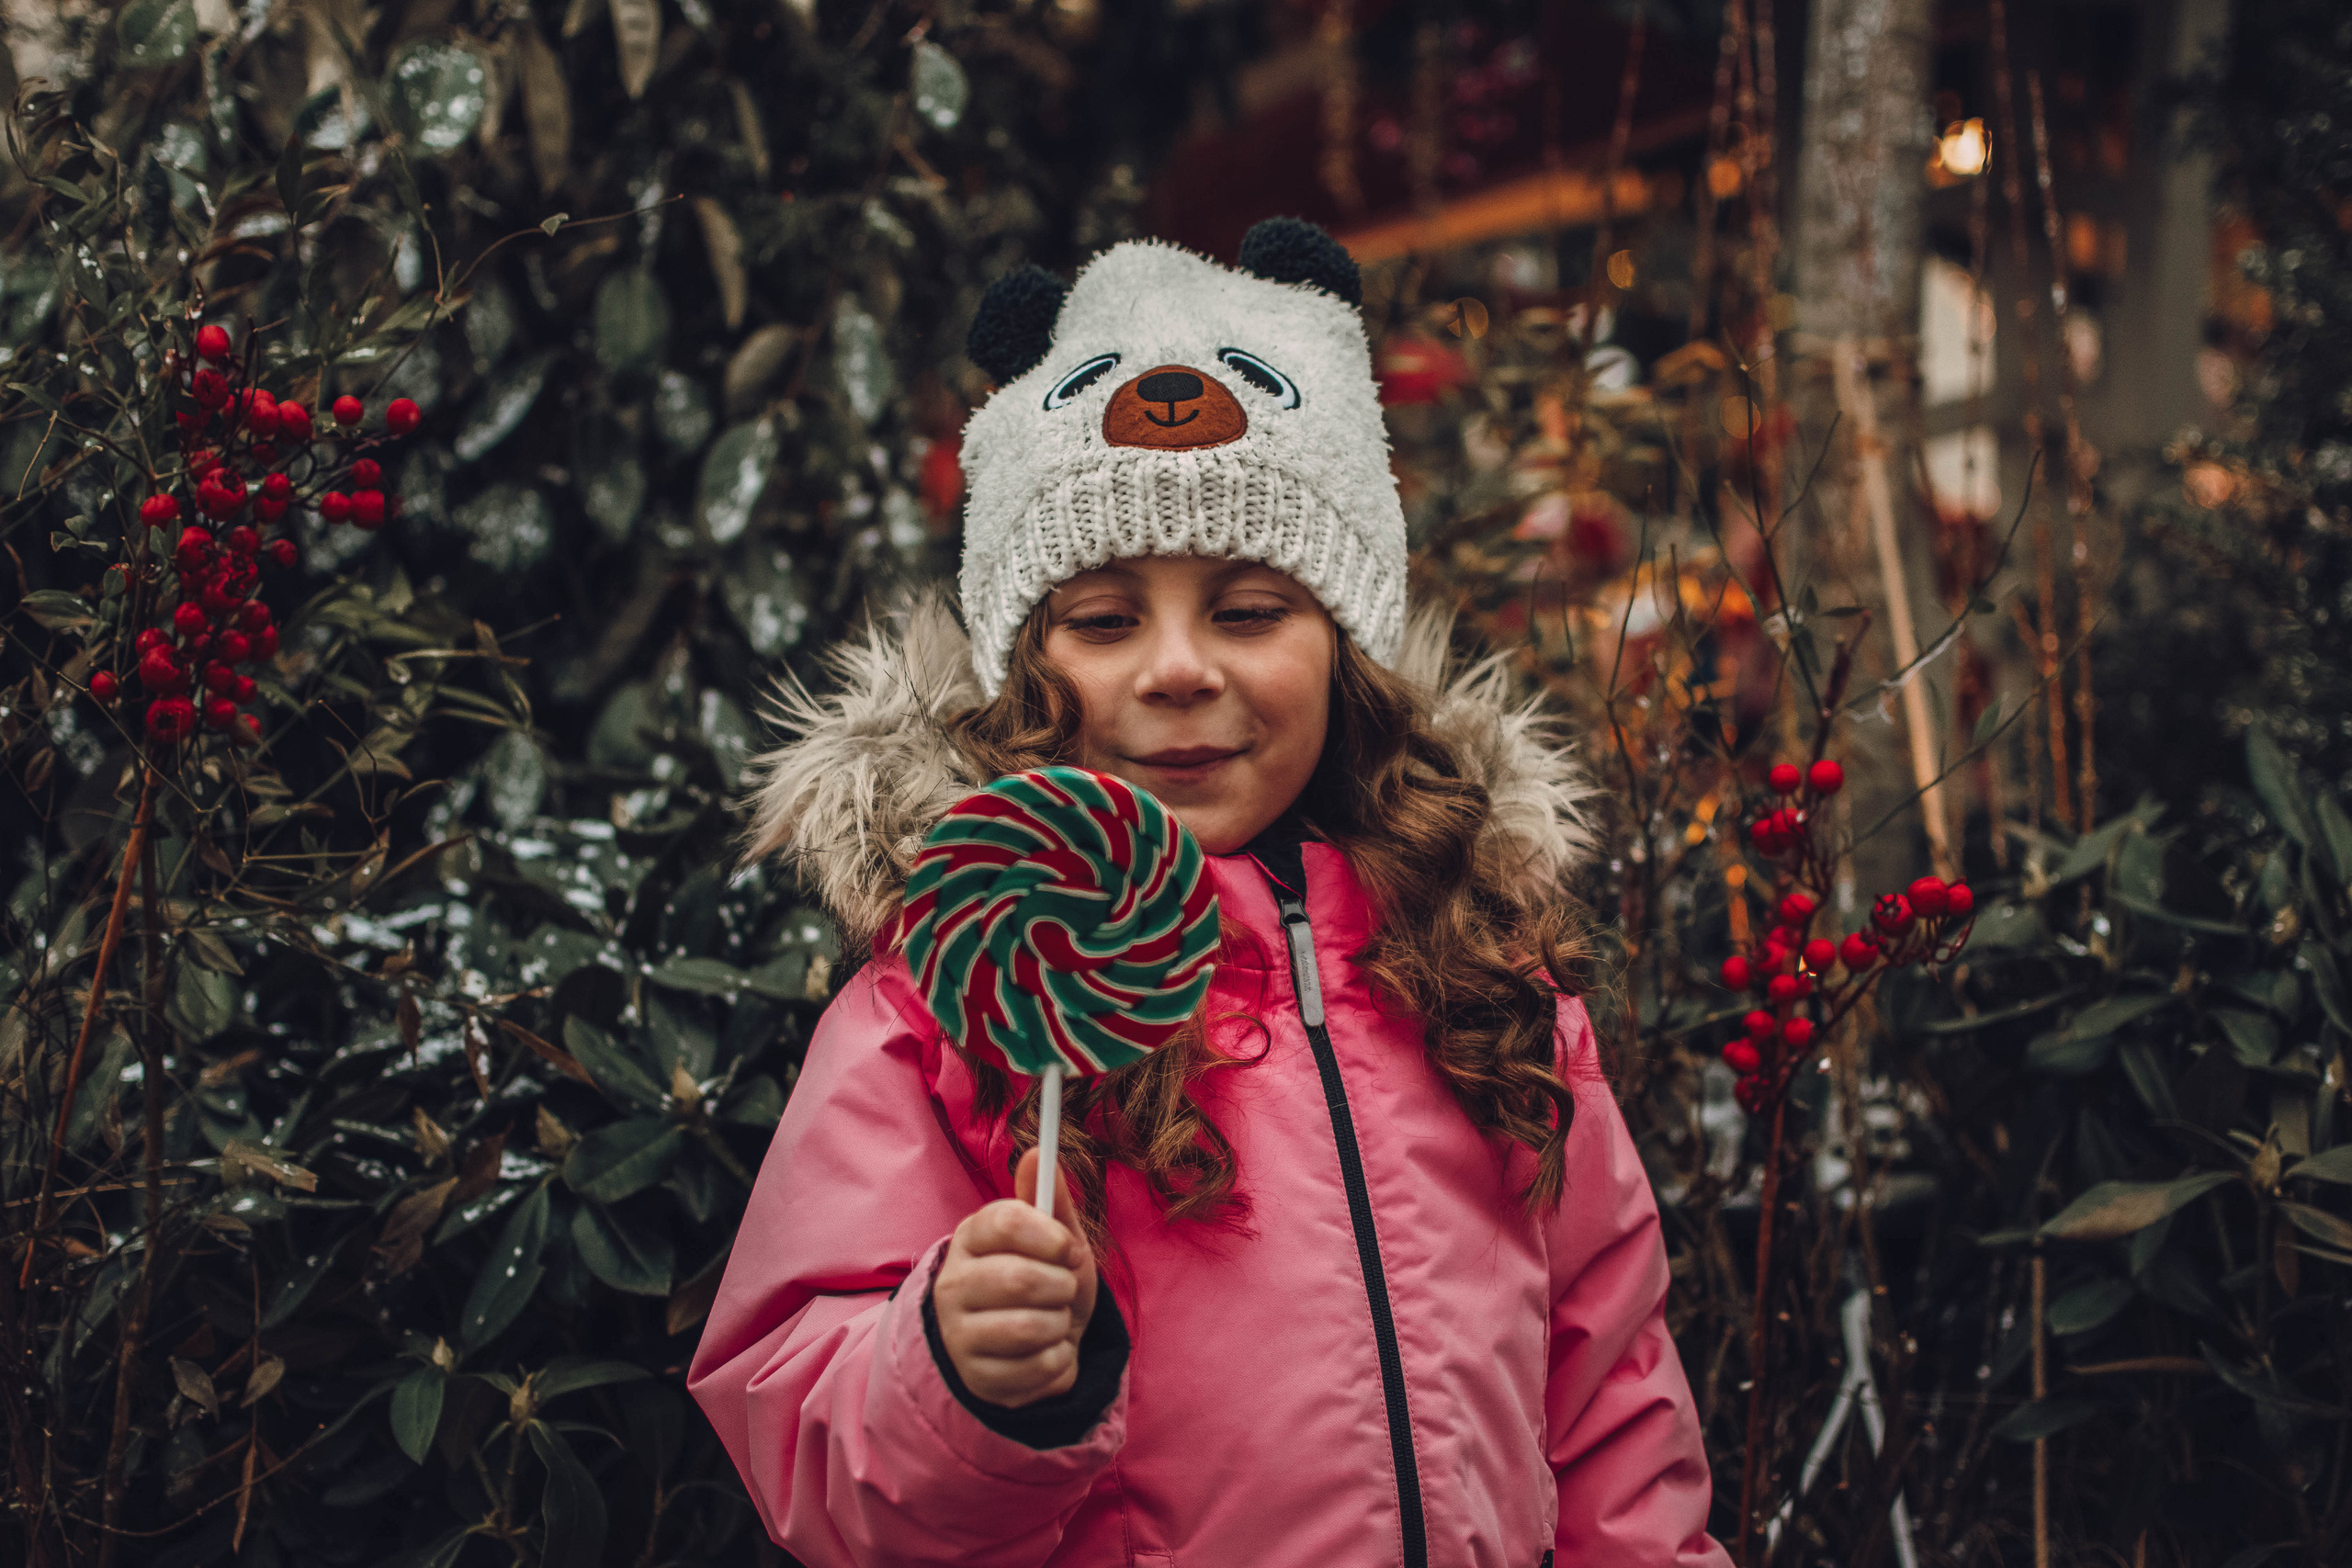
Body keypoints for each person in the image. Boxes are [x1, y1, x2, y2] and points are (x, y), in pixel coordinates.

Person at [686, 220, 1730, 1568]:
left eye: (1247, 610)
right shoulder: (942, 1010)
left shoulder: (1489, 972)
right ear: (1025, 662)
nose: (1177, 671)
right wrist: (953, 1371)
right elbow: (817, 1448)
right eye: (1106, 619)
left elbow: (1612, 1404)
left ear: (1345, 645)